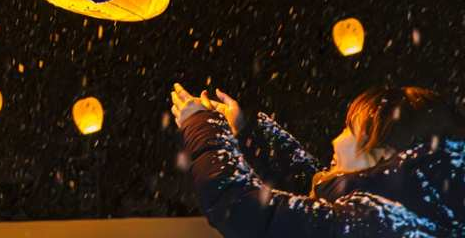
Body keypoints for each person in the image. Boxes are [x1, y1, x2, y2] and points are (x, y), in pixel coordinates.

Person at [170, 83, 465, 237]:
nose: (336, 141)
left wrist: (202, 125)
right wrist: (248, 134)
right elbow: (312, 191)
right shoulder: (420, 210)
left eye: (350, 130)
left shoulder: (381, 224)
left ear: (387, 156)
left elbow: (242, 210)